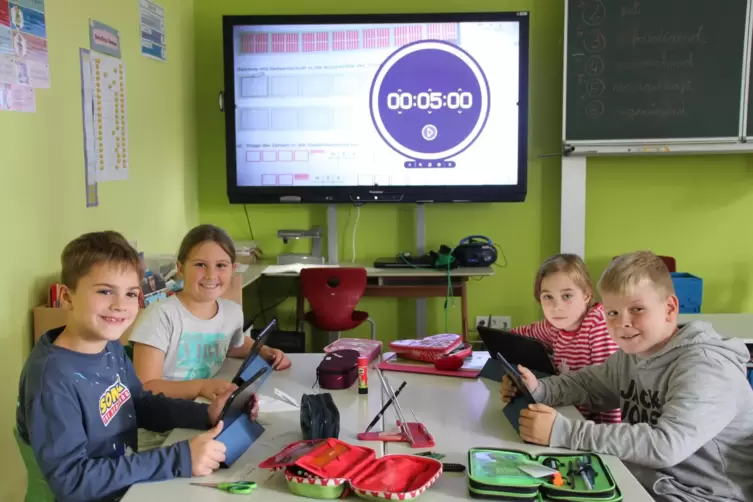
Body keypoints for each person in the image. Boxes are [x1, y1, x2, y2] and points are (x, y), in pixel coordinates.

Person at [16, 231, 260, 502]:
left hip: (127, 484)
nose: (120, 305)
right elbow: (72, 482)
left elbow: (139, 404)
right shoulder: (52, 378)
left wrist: (206, 415)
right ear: (67, 296)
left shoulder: (108, 347)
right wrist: (179, 457)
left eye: (131, 293)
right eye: (105, 291)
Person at [502, 251, 753, 502]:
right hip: (645, 480)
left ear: (669, 308)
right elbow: (587, 383)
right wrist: (538, 389)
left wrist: (563, 432)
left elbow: (665, 446)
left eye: (637, 309)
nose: (623, 323)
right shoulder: (633, 355)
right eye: (612, 313)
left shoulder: (707, 368)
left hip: (700, 495)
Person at [130, 224, 291, 403]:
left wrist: (264, 351)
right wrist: (202, 387)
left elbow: (232, 344)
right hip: (162, 419)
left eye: (221, 265)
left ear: (233, 269)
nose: (210, 275)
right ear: (180, 268)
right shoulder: (160, 316)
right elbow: (145, 386)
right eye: (200, 264)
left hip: (206, 405)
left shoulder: (232, 312)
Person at [507, 253, 620, 423]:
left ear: (586, 296)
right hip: (566, 412)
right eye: (548, 297)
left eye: (567, 296)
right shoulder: (554, 326)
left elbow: (609, 391)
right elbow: (515, 336)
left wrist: (608, 440)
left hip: (592, 427)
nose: (556, 307)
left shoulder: (598, 324)